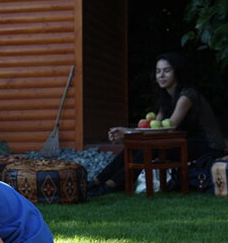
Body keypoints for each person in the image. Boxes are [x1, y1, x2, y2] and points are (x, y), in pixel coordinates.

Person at [89, 52, 227, 196]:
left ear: (177, 72)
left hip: (207, 146)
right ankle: (97, 182)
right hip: (187, 142)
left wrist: (127, 132)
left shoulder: (187, 96)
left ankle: (112, 185)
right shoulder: (166, 99)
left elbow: (168, 129)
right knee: (137, 146)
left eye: (167, 71)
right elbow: (153, 130)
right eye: (158, 71)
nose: (161, 75)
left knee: (150, 147)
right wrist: (129, 135)